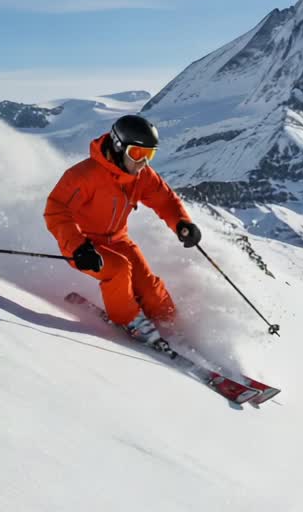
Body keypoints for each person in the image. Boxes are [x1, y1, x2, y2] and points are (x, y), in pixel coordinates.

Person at [44, 114, 201, 343]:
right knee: (118, 269)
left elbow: (165, 200)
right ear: (119, 147)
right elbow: (56, 210)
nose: (143, 162)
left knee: (150, 289)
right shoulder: (84, 175)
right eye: (137, 154)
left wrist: (182, 223)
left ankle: (172, 328)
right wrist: (77, 246)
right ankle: (130, 321)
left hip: (118, 240)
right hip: (83, 247)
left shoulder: (141, 176)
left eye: (150, 154)